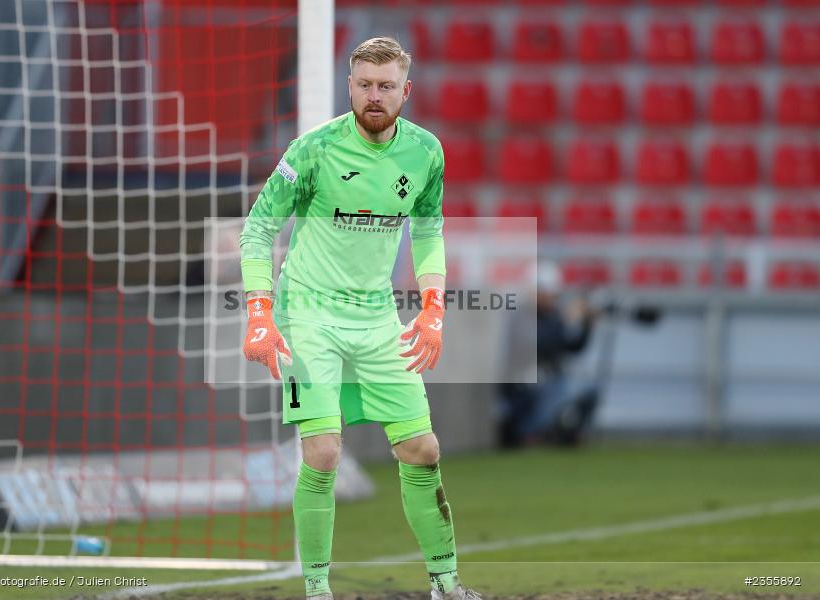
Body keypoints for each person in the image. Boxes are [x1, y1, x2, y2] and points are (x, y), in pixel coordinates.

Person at [239, 38, 480, 600]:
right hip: (308, 314)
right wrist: (259, 312)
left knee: (422, 449)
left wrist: (433, 309)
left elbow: (427, 231)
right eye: (365, 85)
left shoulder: (426, 152)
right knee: (322, 451)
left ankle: (446, 584)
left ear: (405, 90)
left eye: (386, 86)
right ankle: (317, 590)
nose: (375, 96)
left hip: (375, 318)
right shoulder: (313, 149)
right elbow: (258, 228)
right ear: (350, 86)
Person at [498, 261, 600, 448]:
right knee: (547, 391)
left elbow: (572, 346)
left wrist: (587, 325)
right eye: (548, 293)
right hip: (523, 389)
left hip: (549, 383)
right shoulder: (520, 315)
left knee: (588, 390)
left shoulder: (552, 316)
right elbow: (537, 344)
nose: (553, 298)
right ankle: (532, 432)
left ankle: (560, 432)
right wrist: (565, 319)